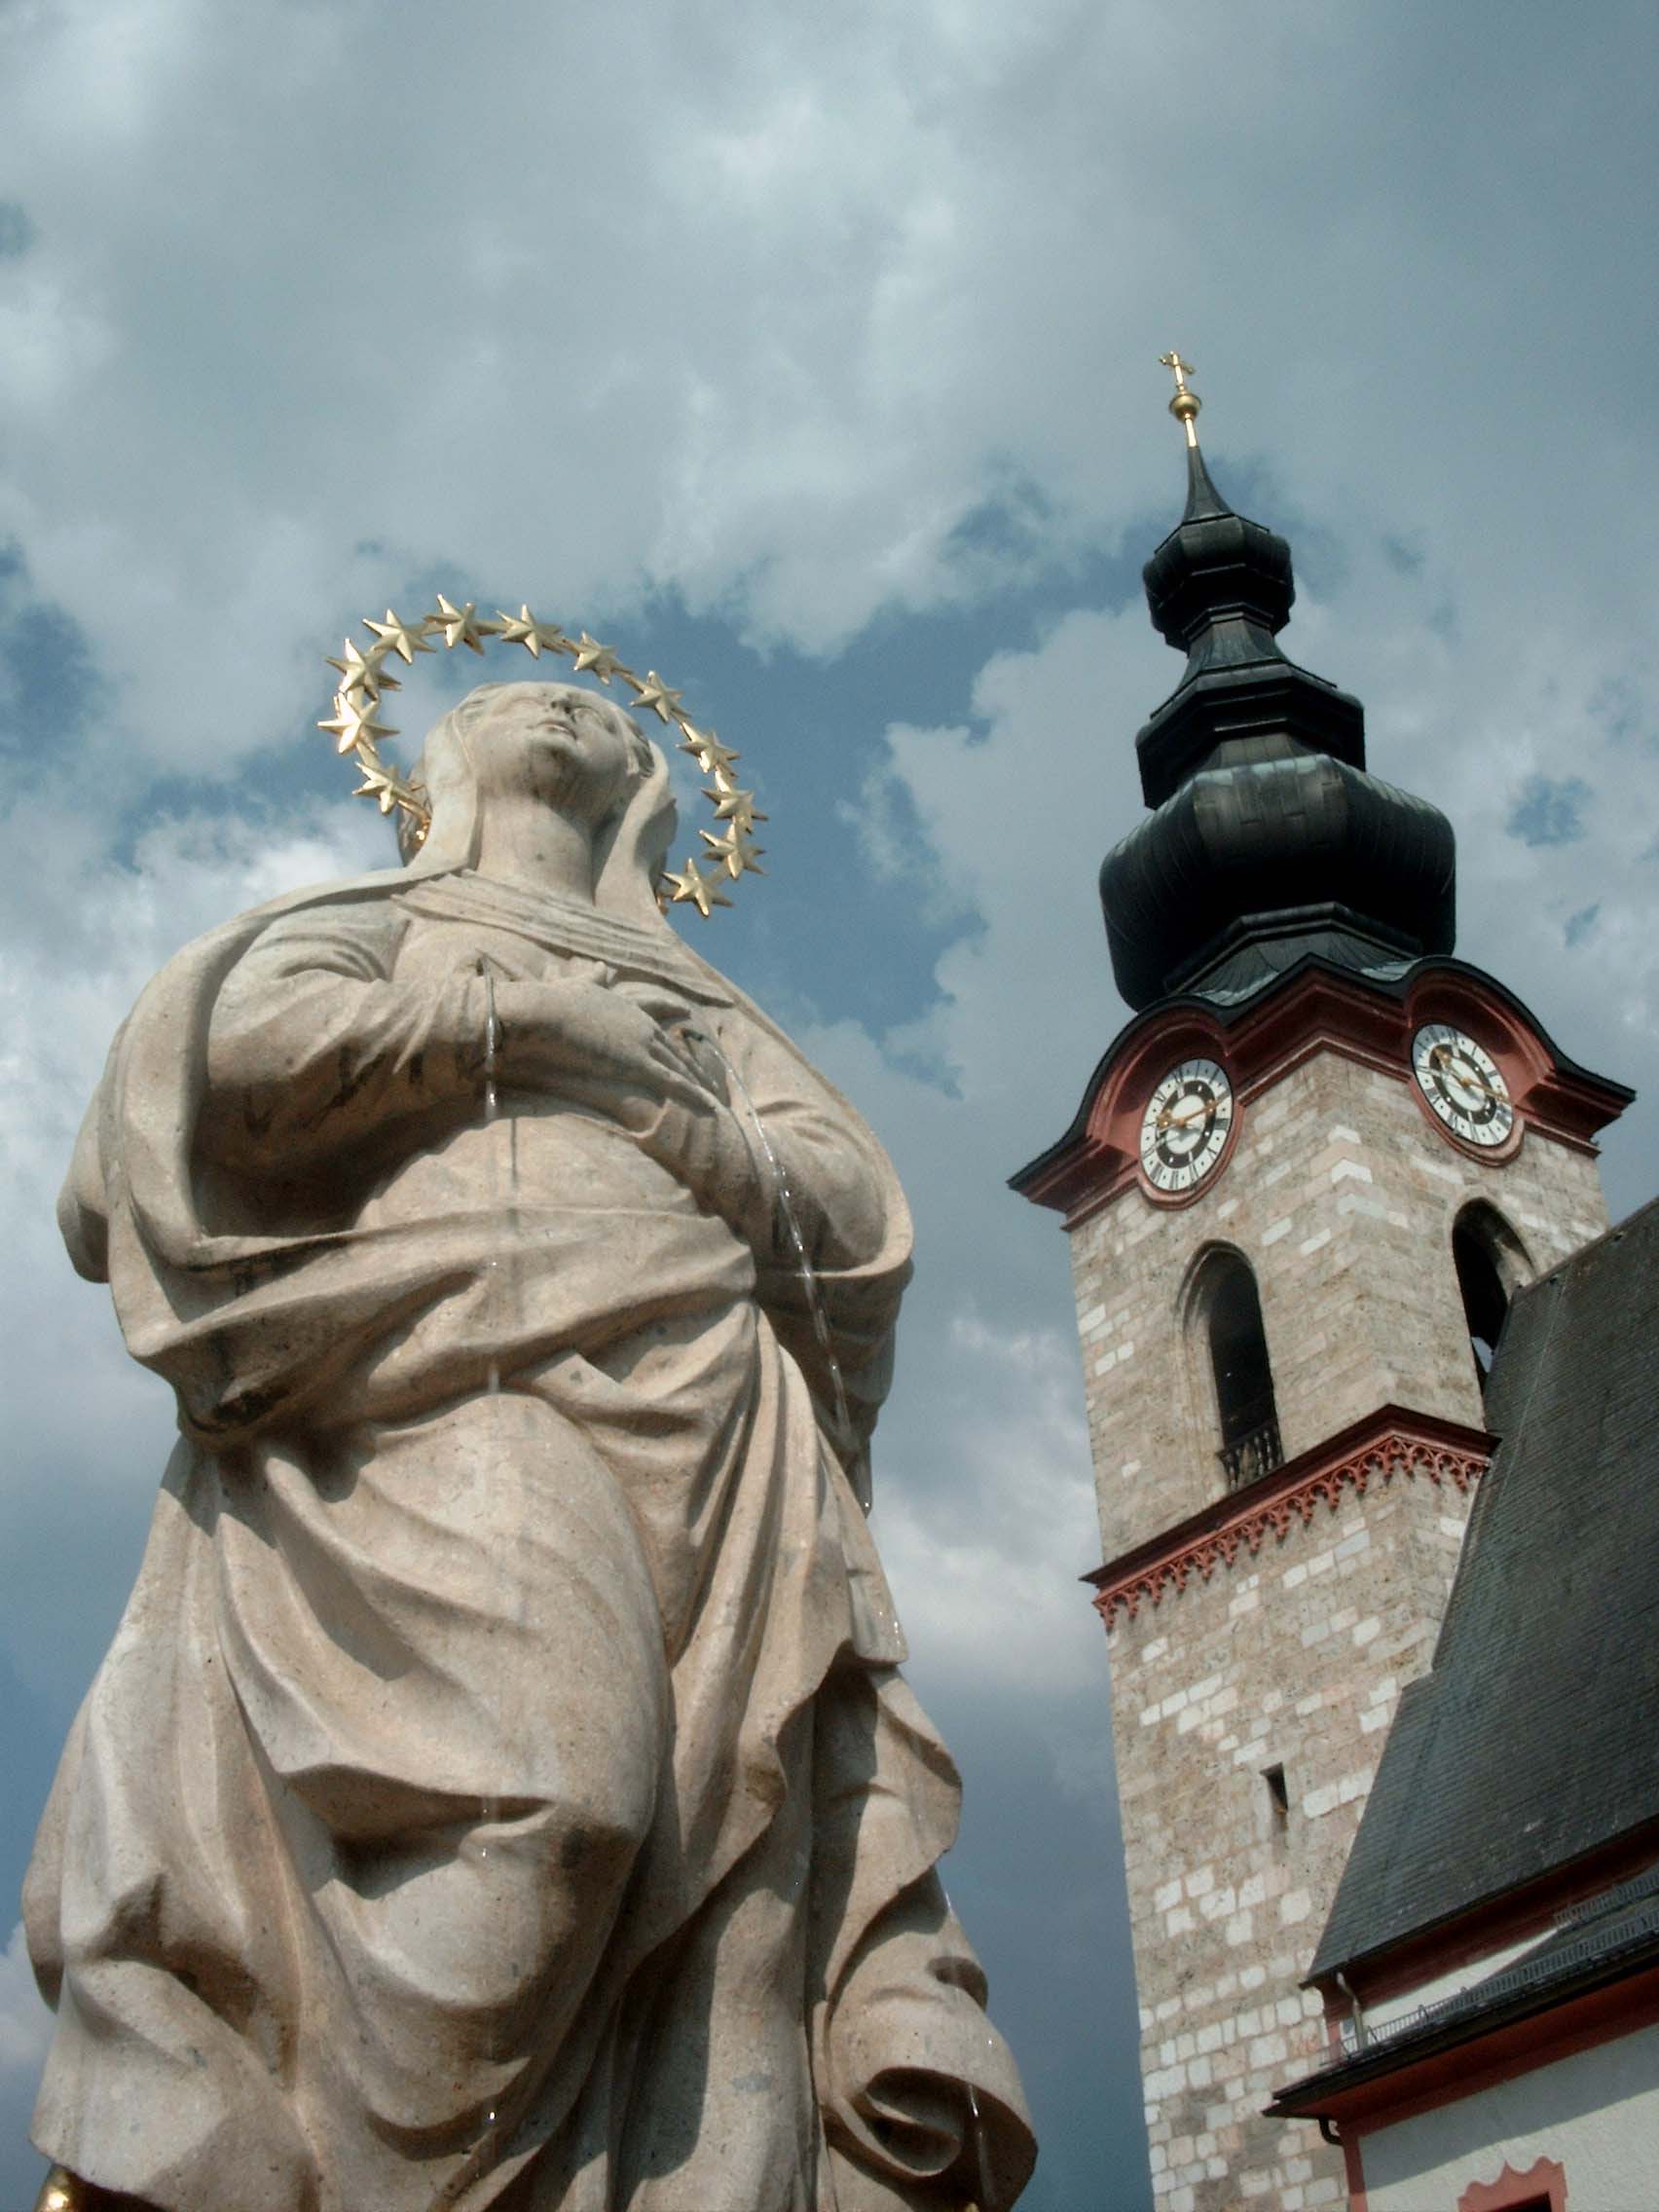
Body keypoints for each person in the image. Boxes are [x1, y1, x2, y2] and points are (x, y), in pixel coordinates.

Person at [24, 682, 1035, 2212]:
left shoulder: (700, 999)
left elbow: (847, 1216)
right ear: (447, 756)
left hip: (723, 1408)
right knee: (561, 1806)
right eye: (516, 695)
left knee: (743, 1904)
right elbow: (219, 1063)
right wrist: (524, 1018)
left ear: (648, 798)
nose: (568, 704)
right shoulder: (382, 920)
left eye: (611, 720)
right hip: (441, 1370)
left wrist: (649, 1086)